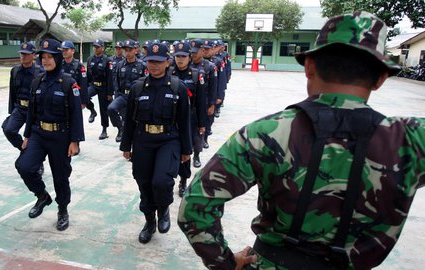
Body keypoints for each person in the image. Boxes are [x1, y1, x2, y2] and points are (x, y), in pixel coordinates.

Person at [178, 12, 425, 270]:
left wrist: (226, 263)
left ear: (309, 67)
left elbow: (195, 207)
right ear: (380, 79)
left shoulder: (266, 132)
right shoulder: (411, 139)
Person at [120, 41, 192, 244]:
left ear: (167, 62)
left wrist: (187, 149)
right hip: (143, 140)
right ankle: (149, 221)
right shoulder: (138, 87)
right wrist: (126, 146)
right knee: (143, 181)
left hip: (168, 140)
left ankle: (164, 208)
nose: (153, 65)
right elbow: (129, 120)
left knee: (161, 181)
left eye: (158, 61)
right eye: (150, 61)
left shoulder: (178, 87)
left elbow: (185, 121)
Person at [15, 38, 84, 231]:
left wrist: (75, 140)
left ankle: (62, 209)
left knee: (60, 176)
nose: (45, 61)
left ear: (58, 58)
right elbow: (31, 111)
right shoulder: (38, 80)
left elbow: (76, 114)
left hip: (60, 136)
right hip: (38, 133)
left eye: (49, 57)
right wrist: (27, 135)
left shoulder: (69, 83)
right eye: (43, 57)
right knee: (24, 166)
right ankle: (42, 196)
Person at [169, 41, 207, 197]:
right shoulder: (168, 73)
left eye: (183, 56)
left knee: (186, 150)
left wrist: (202, 124)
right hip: (170, 118)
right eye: (177, 56)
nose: (180, 59)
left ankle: (183, 180)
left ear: (189, 57)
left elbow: (201, 102)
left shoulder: (197, 75)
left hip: (188, 119)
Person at [2, 42, 45, 175]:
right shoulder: (15, 71)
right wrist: (12, 111)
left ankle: (37, 162)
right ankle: (24, 150)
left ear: (33, 55)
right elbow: (12, 92)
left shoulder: (40, 72)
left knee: (33, 137)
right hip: (20, 108)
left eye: (26, 54)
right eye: (21, 54)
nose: (23, 57)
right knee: (8, 129)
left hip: (35, 110)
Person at [108, 39, 146, 142]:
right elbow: (117, 82)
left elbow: (146, 83)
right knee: (111, 108)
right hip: (123, 96)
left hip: (136, 97)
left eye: (130, 50)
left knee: (134, 121)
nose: (128, 53)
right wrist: (117, 95)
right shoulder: (120, 65)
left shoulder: (142, 65)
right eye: (126, 50)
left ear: (135, 50)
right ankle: (120, 128)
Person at [190, 39, 218, 151]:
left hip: (204, 102)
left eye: (195, 52)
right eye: (191, 53)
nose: (193, 55)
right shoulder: (187, 65)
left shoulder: (209, 66)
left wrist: (212, 104)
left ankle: (198, 152)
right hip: (191, 102)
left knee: (202, 127)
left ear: (202, 51)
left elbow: (213, 87)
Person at [86, 39, 114, 140]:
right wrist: (86, 87)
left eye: (98, 47)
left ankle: (104, 130)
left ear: (103, 48)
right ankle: (92, 111)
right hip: (93, 85)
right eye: (94, 47)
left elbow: (110, 77)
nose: (95, 49)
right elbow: (88, 75)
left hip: (104, 87)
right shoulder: (90, 59)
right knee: (84, 96)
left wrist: (110, 93)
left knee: (104, 109)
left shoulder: (107, 60)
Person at [61, 41, 88, 108]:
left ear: (73, 51)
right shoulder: (60, 65)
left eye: (66, 50)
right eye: (63, 50)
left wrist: (83, 101)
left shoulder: (79, 66)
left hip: (75, 96)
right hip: (62, 97)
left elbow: (83, 84)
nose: (64, 52)